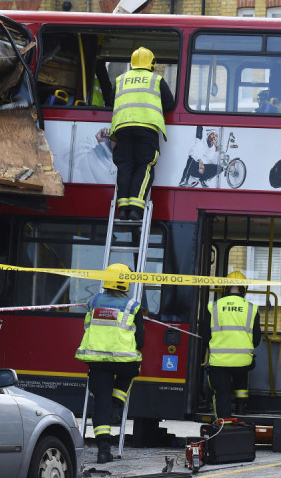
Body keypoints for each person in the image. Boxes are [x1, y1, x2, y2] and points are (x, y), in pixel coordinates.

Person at [75, 263, 145, 464]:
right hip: (124, 362)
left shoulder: (93, 302)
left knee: (100, 401)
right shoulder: (133, 306)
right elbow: (140, 341)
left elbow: (87, 326)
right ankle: (117, 403)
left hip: (97, 361)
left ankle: (103, 451)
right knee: (134, 368)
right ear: (127, 283)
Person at [111, 47, 176, 220]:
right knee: (144, 166)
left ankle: (122, 209)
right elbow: (169, 104)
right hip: (146, 128)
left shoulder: (120, 80)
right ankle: (136, 208)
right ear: (152, 63)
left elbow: (112, 102)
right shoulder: (156, 80)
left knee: (124, 166)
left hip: (122, 127)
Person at [204, 271, 260, 419]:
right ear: (244, 289)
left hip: (219, 362)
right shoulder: (252, 309)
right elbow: (256, 340)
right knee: (242, 371)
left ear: (225, 288)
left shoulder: (213, 307)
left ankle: (224, 424)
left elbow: (205, 335)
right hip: (243, 362)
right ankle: (241, 410)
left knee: (221, 393)